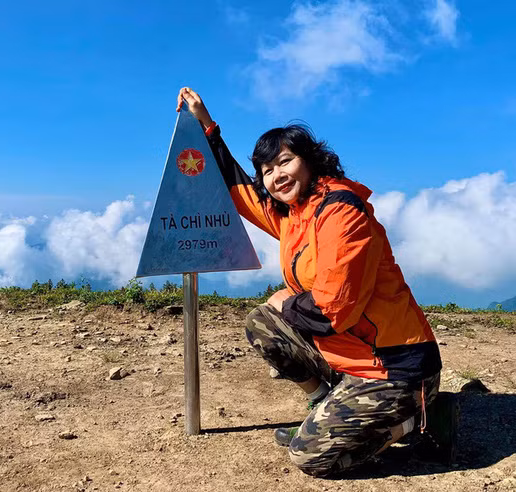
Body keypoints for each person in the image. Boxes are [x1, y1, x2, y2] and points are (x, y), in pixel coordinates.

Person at [176, 87, 445, 477]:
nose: (276, 175)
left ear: (310, 160)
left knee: (310, 456)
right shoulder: (294, 213)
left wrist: (286, 302)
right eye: (267, 171)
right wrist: (206, 125)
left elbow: (334, 309)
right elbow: (241, 190)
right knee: (262, 323)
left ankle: (418, 422)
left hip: (397, 366)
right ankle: (324, 402)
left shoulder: (340, 211)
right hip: (355, 354)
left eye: (285, 162)